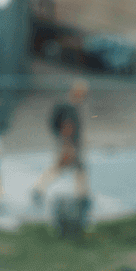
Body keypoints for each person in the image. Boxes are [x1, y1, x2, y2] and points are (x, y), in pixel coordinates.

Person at [31, 79, 90, 212]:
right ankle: (39, 189)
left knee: (78, 169)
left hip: (70, 144)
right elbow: (67, 128)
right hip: (69, 145)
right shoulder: (70, 107)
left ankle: (83, 195)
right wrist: (68, 146)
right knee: (62, 168)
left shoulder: (70, 105)